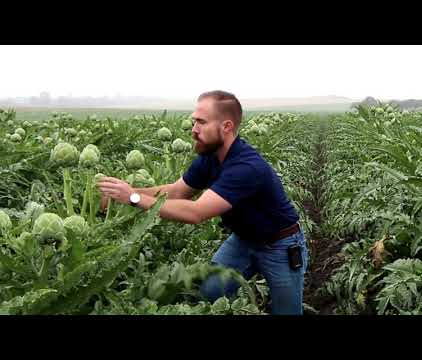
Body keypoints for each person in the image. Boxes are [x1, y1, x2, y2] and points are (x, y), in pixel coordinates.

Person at [97, 90, 308, 315]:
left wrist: (133, 198)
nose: (193, 129)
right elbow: (177, 192)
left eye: (201, 122)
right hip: (243, 240)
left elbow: (196, 213)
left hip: (281, 245)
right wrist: (124, 192)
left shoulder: (246, 167)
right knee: (212, 291)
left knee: (287, 311)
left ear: (226, 127)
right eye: (193, 121)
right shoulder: (210, 157)